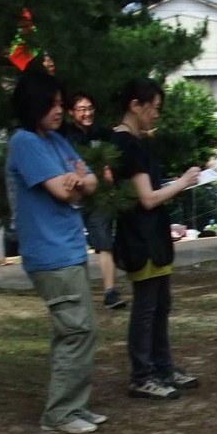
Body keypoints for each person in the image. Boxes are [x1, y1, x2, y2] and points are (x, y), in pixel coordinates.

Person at [5, 73, 107, 434]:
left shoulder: (57, 142)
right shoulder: (25, 142)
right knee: (76, 330)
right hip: (49, 253)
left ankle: (75, 406)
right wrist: (74, 184)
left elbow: (90, 181)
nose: (59, 110)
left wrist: (77, 182)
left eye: (61, 104)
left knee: (83, 329)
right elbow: (63, 192)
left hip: (69, 248)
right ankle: (60, 414)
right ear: (34, 105)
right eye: (52, 104)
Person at [109, 78, 202, 400]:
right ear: (136, 105)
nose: (157, 116)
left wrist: (170, 223)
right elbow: (146, 198)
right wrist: (184, 181)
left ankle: (163, 368)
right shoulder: (126, 145)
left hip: (154, 237)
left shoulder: (137, 142)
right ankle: (141, 375)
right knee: (147, 308)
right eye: (155, 108)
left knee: (161, 305)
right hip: (141, 241)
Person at [62, 91, 127, 310]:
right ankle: (72, 294)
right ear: (71, 113)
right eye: (82, 109)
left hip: (98, 197)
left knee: (105, 243)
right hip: (72, 197)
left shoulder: (101, 133)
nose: (87, 113)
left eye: (90, 108)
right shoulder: (64, 136)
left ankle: (110, 292)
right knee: (71, 248)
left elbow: (119, 138)